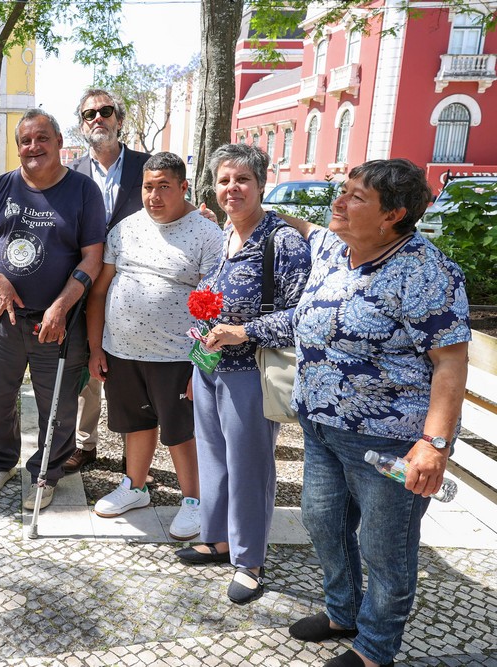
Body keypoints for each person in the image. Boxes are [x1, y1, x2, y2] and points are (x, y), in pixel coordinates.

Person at [282, 159, 470, 667]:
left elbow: (450, 362)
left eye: (356, 197)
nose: (338, 203)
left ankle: (374, 649)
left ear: (394, 215)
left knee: (386, 549)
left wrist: (433, 446)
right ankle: (342, 612)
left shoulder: (425, 271)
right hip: (322, 428)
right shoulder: (338, 252)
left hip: (390, 440)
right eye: (342, 191)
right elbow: (306, 237)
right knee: (322, 522)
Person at [174, 143, 310, 604]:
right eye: (224, 180)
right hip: (211, 367)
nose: (232, 188)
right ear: (213, 188)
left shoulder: (282, 241)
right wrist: (202, 341)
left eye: (242, 180)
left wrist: (243, 331)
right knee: (213, 457)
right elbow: (210, 300)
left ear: (260, 184)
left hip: (252, 370)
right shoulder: (224, 238)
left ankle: (250, 560)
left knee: (249, 467)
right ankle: (217, 538)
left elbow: (299, 318)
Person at [0, 108, 105, 510]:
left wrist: (61, 305)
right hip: (1, 320)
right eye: (25, 140)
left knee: (56, 404)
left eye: (42, 138)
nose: (33, 147)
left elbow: (93, 258)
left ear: (60, 142)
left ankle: (46, 473)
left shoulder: (82, 191)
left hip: (57, 323)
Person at [87, 152, 222, 540]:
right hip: (123, 351)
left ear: (184, 188)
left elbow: (215, 309)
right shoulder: (125, 229)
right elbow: (99, 293)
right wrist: (97, 348)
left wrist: (202, 366)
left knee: (181, 432)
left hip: (177, 356)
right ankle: (136, 486)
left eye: (164, 186)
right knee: (136, 424)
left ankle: (194, 500)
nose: (155, 196)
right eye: (148, 187)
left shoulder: (207, 235)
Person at [65, 88, 152, 474]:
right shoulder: (71, 175)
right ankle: (86, 444)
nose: (97, 118)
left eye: (105, 111)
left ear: (120, 118)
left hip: (136, 284)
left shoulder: (147, 167)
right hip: (85, 284)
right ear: (82, 125)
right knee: (88, 365)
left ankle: (134, 449)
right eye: (89, 114)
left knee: (132, 367)